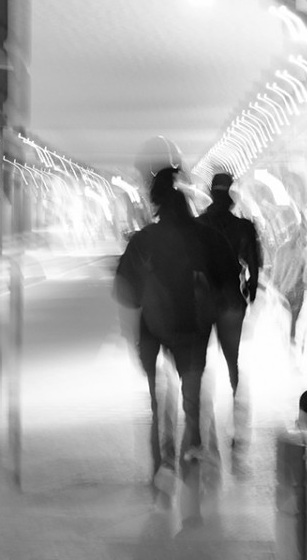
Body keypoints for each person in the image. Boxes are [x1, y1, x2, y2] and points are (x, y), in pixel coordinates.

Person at [113, 166, 234, 485]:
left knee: (158, 402)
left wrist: (136, 321)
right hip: (193, 332)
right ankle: (192, 453)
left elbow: (123, 287)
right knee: (192, 398)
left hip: (154, 330)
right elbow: (227, 277)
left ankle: (162, 465)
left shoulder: (145, 240)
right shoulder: (204, 237)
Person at [195, 173, 262, 441]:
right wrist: (251, 289)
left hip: (202, 301)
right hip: (231, 299)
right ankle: (237, 410)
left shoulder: (198, 225)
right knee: (232, 358)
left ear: (211, 195)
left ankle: (199, 416)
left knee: (198, 359)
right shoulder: (244, 227)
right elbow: (255, 264)